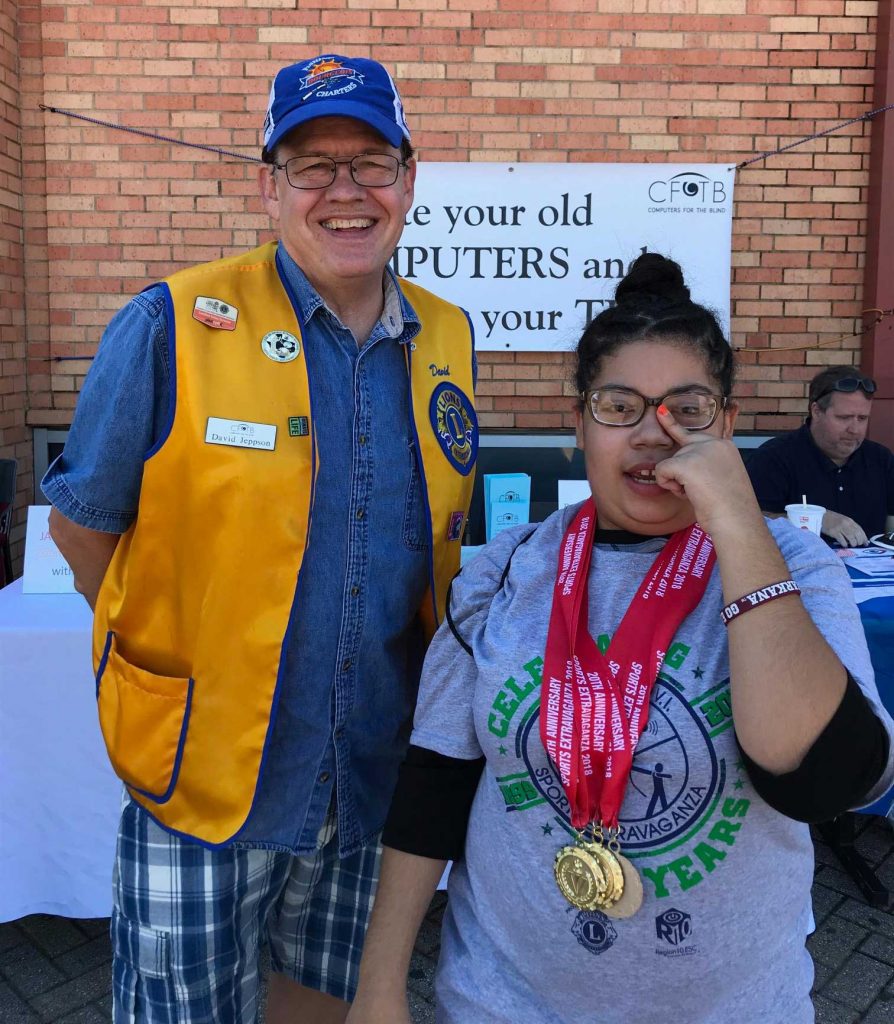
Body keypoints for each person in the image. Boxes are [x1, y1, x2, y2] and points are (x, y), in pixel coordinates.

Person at [42, 54, 478, 1024]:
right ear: (268, 186)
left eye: (369, 162)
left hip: (369, 786)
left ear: (409, 179)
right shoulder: (173, 324)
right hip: (203, 779)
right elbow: (82, 529)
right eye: (313, 166)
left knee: (319, 1009)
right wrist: (177, 641)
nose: (346, 191)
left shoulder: (447, 338)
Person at [346, 255, 894, 1024]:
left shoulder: (795, 564)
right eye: (619, 406)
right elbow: (435, 781)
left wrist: (736, 522)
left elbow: (822, 783)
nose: (653, 434)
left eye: (687, 410)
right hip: (506, 1003)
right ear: (577, 426)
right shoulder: (505, 572)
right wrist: (378, 989)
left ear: (728, 426)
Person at [746, 365, 894, 547]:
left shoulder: (881, 459)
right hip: (797, 570)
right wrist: (816, 519)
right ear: (816, 411)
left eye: (862, 418)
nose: (855, 430)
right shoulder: (773, 458)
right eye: (843, 417)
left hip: (875, 572)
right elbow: (747, 521)